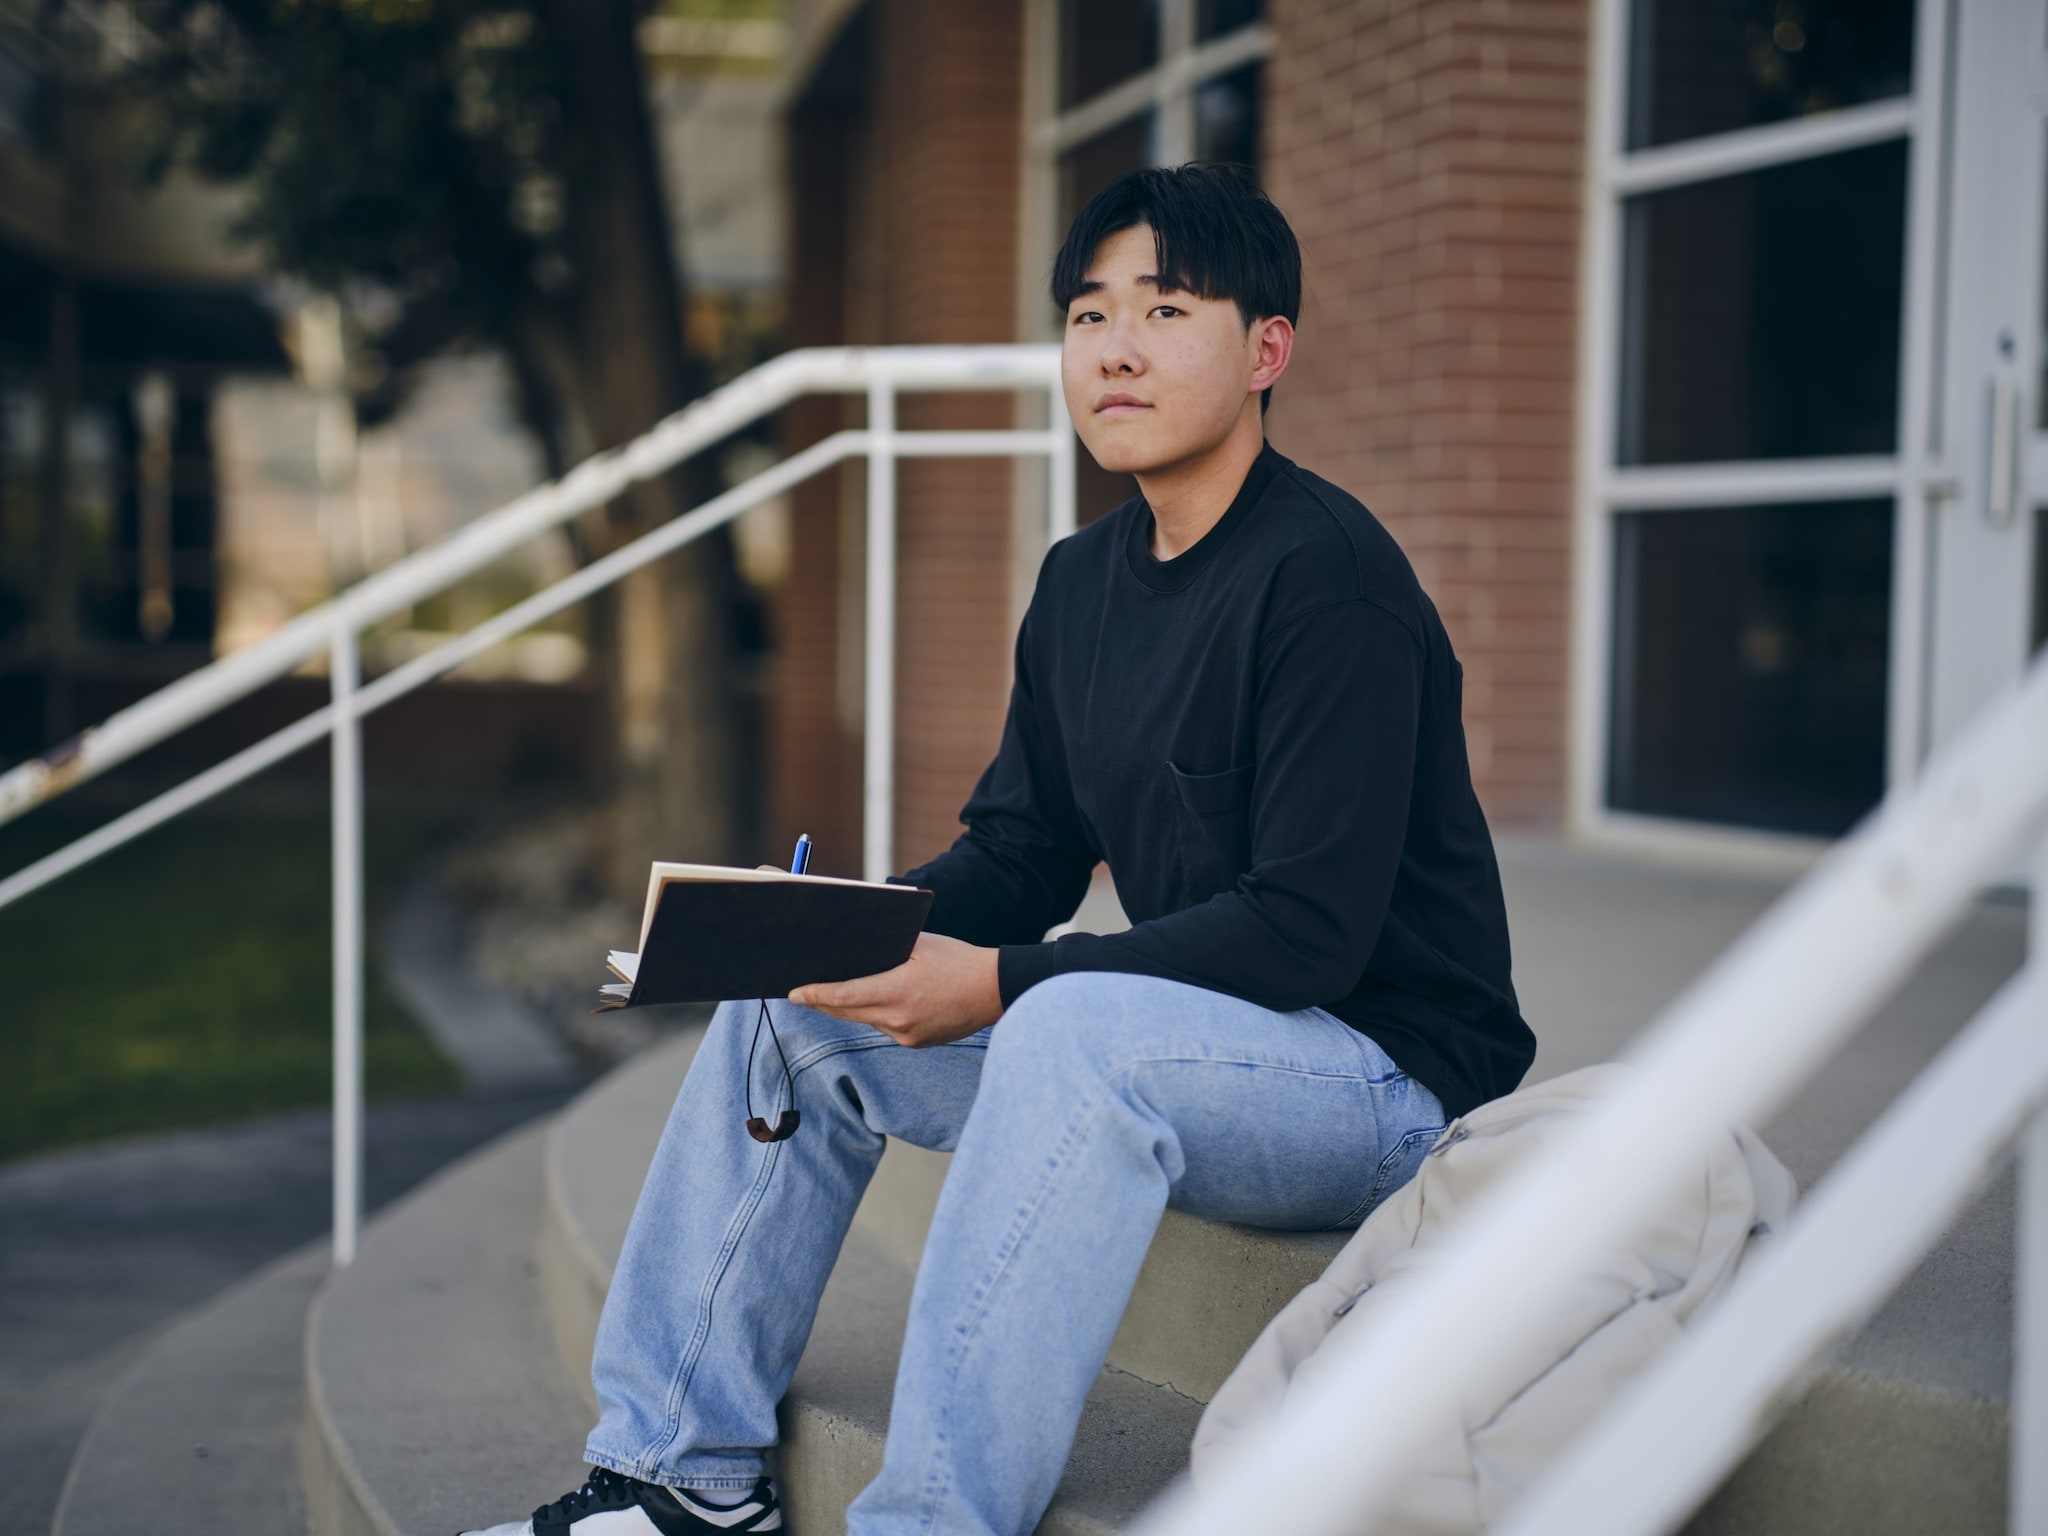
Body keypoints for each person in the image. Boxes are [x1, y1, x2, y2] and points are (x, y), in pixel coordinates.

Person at [461, 163, 1535, 1536]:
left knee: (1067, 1029)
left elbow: (1305, 934)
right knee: (785, 1017)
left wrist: (1005, 983)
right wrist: (835, 928)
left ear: (1268, 350)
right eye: (1089, 317)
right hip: (1185, 1036)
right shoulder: (1082, 581)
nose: (1118, 350)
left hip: (1375, 1074)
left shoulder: (1331, 581)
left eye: (1166, 310)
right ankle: (677, 1478)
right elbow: (1022, 851)